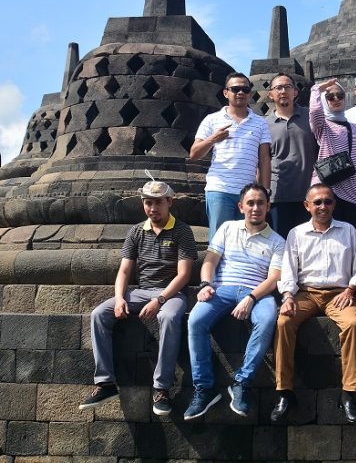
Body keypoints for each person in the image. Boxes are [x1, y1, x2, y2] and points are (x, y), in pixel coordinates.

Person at [79, 178, 197, 416]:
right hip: (140, 291)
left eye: (158, 203)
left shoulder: (183, 231)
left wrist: (160, 300)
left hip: (170, 293)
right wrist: (120, 298)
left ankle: (162, 387)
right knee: (99, 313)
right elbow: (124, 270)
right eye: (148, 203)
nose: (153, 208)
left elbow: (184, 275)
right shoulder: (136, 231)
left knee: (170, 317)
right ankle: (105, 382)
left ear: (169, 202)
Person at [183, 183, 284, 420]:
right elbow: (210, 261)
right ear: (241, 207)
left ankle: (242, 382)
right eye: (250, 203)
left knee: (268, 319)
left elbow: (275, 278)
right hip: (222, 288)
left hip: (257, 292)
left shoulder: (278, 241)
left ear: (268, 206)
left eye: (260, 203)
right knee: (195, 321)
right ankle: (204, 388)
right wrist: (206, 284)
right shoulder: (227, 228)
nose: (255, 207)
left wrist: (251, 297)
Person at [273, 183, 356, 424]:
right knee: (284, 322)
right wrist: (287, 297)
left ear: (334, 204)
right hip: (306, 293)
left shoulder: (348, 230)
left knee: (353, 323)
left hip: (339, 293)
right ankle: (284, 391)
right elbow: (289, 271)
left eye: (328, 201)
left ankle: (349, 393)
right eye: (317, 202)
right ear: (307, 206)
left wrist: (351, 288)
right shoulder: (296, 233)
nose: (323, 206)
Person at [191, 73, 272, 235]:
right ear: (226, 92)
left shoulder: (260, 123)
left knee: (246, 240)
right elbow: (194, 154)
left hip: (248, 193)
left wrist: (265, 192)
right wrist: (213, 139)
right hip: (220, 189)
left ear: (250, 93)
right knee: (219, 241)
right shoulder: (212, 120)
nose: (240, 92)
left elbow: (264, 160)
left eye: (245, 89)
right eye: (235, 89)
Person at [309, 79, 356, 239]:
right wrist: (316, 89)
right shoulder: (323, 126)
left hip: (355, 196)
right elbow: (315, 113)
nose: (336, 99)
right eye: (330, 96)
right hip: (329, 193)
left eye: (340, 95)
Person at [265, 73, 318, 236]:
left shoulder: (311, 117)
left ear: (295, 92)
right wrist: (264, 193)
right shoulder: (264, 124)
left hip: (308, 195)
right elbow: (262, 161)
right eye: (278, 88)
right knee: (279, 246)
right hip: (277, 195)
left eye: (288, 87)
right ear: (271, 94)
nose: (283, 91)